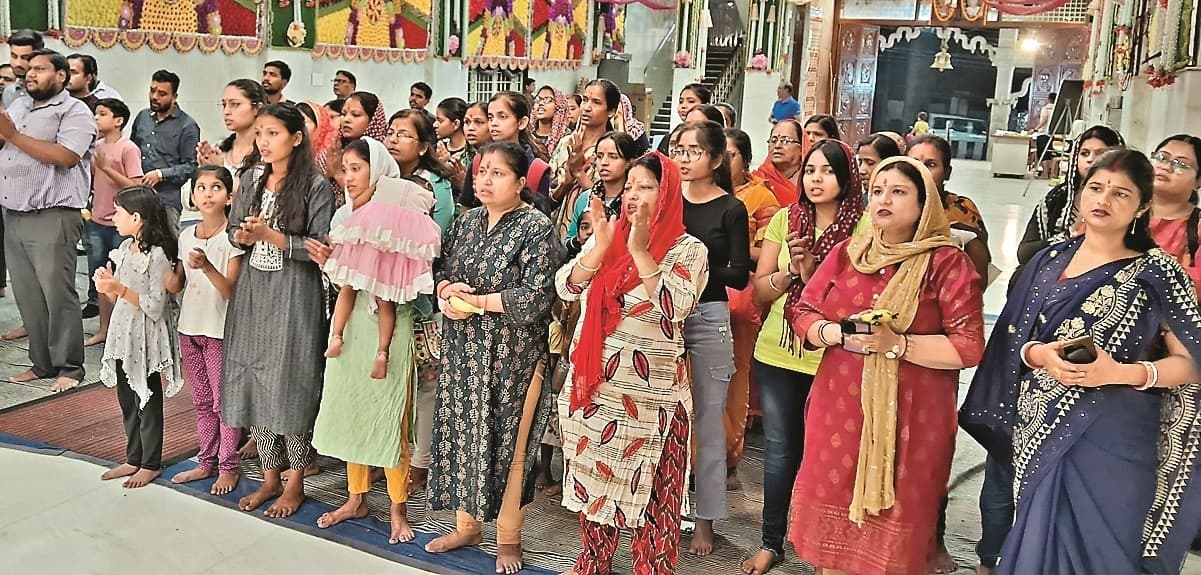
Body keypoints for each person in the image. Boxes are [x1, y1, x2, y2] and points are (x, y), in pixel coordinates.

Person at [960, 149, 1201, 575]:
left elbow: (1192, 362)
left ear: (1143, 206)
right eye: (1095, 187)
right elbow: (1016, 340)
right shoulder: (1049, 260)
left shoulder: (1158, 272)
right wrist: (1041, 355)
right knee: (1039, 542)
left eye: (1121, 193)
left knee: (1105, 553)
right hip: (1041, 430)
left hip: (1118, 436)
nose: (1103, 200)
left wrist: (1122, 373)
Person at [786, 155, 985, 575]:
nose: (884, 200)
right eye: (877, 190)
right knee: (833, 537)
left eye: (898, 192)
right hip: (839, 410)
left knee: (895, 536)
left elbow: (968, 346)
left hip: (913, 418)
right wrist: (835, 334)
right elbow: (803, 310)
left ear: (924, 203)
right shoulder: (848, 254)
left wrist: (897, 344)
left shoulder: (947, 263)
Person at [555, 152, 709, 575]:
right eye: (630, 186)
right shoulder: (609, 236)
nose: (633, 196)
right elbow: (566, 287)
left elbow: (673, 307)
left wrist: (641, 254)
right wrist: (600, 249)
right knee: (595, 487)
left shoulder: (689, 250)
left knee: (657, 501)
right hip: (595, 389)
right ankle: (594, 562)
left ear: (668, 194)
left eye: (646, 187)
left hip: (653, 401)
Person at [425, 142, 564, 575]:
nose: (485, 180)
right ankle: (466, 526)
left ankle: (509, 538)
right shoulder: (466, 223)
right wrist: (447, 292)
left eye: (498, 174)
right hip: (464, 352)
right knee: (465, 436)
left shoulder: (536, 227)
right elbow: (441, 269)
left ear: (522, 183)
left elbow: (538, 296)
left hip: (514, 358)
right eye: (482, 172)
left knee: (512, 447)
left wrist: (480, 302)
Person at [741, 139, 866, 575]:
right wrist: (792, 272)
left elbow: (862, 300)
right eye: (810, 170)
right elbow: (759, 291)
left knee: (829, 454)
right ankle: (771, 541)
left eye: (827, 171)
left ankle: (826, 544)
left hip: (835, 354)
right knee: (780, 451)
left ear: (846, 177)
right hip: (779, 351)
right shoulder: (785, 220)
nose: (815, 179)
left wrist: (817, 275)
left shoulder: (864, 228)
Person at [313, 138, 441, 545]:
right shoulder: (345, 216)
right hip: (350, 330)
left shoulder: (401, 210)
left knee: (389, 420)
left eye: (358, 169)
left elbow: (402, 282)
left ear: (378, 169)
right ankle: (356, 499)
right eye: (345, 170)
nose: (350, 178)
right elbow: (345, 283)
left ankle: (398, 509)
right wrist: (327, 262)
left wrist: (383, 349)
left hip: (391, 328)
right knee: (352, 411)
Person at [223, 103, 334, 519]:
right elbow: (233, 233)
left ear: (296, 138)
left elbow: (321, 248)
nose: (264, 142)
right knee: (254, 376)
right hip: (254, 289)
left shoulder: (315, 186)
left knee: (291, 381)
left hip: (294, 293)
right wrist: (244, 235)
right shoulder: (249, 178)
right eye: (260, 134)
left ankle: (295, 482)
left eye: (273, 133)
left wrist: (271, 234)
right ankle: (269, 477)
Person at [672, 120, 751, 556]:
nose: (684, 158)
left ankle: (705, 520)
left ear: (716, 160)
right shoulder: (668, 200)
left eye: (694, 151)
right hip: (663, 315)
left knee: (707, 421)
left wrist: (692, 270)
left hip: (708, 315)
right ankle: (660, 511)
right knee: (660, 419)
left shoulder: (730, 209)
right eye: (679, 149)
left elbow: (739, 273)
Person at [0, 48, 94, 392]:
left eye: (40, 69)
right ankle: (40, 364)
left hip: (53, 215)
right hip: (14, 214)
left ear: (61, 76)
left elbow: (66, 156)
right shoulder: (20, 105)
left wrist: (12, 135)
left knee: (57, 294)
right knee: (28, 295)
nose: (30, 74)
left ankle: (69, 367)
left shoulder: (75, 111)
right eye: (29, 69)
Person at [380, 109, 457, 496]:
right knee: (392, 379)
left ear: (424, 145)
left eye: (404, 135)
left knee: (425, 385)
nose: (393, 139)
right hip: (384, 297)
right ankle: (390, 454)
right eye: (391, 133)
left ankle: (422, 462)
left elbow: (431, 242)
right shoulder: (383, 178)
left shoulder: (434, 187)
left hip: (422, 299)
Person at [165, 166, 244, 495]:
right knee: (201, 401)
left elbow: (230, 292)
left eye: (215, 187)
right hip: (189, 329)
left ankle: (229, 466)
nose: (207, 194)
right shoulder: (185, 236)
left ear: (228, 196)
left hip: (218, 332)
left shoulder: (232, 239)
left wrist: (207, 266)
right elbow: (176, 284)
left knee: (223, 403)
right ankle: (206, 461)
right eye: (201, 188)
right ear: (192, 195)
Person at [96, 185, 181, 489]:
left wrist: (118, 289)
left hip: (145, 335)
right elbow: (121, 292)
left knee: (147, 398)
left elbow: (155, 306)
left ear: (137, 217)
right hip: (124, 332)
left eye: (118, 211)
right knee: (127, 399)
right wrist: (108, 285)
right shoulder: (124, 249)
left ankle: (151, 462)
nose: (113, 216)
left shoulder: (157, 255)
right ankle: (133, 457)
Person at [723, 127, 781, 492]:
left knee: (734, 376)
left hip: (741, 292)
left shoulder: (760, 196)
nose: (723, 161)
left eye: (731, 155)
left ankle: (729, 455)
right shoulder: (700, 193)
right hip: (705, 290)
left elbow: (768, 253)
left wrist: (731, 247)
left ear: (745, 159)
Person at [1016, 125, 1124, 273]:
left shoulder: (1127, 202)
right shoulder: (1058, 197)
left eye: (1100, 154)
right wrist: (1071, 234)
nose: (1091, 159)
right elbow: (1024, 253)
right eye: (1085, 153)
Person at [86, 98, 145, 347]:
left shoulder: (128, 148)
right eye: (96, 114)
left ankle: (126, 332)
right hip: (97, 221)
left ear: (118, 120)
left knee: (123, 279)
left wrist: (107, 169)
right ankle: (104, 329)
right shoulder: (97, 146)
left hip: (121, 226)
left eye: (102, 114)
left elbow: (136, 185)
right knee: (100, 276)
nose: (97, 118)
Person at [909, 134, 992, 288]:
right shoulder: (888, 205)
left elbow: (979, 279)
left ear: (947, 172)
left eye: (931, 165)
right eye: (913, 164)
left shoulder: (962, 210)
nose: (920, 171)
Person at [457, 91, 553, 214]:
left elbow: (542, 220)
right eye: (491, 118)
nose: (494, 123)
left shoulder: (537, 169)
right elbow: (466, 208)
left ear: (522, 122)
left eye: (502, 117)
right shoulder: (479, 162)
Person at [550, 79, 622, 236]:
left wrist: (578, 173)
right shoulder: (565, 144)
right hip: (556, 231)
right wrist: (565, 184)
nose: (587, 108)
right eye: (584, 100)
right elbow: (548, 197)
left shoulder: (612, 151)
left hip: (592, 235)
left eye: (596, 102)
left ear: (611, 111)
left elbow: (608, 203)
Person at [131, 69, 201, 229]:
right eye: (152, 90)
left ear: (174, 97)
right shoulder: (143, 117)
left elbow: (191, 166)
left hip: (166, 200)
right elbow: (132, 150)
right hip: (138, 195)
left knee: (166, 246)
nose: (155, 97)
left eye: (162, 94)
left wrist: (161, 175)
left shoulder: (187, 126)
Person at [1148, 134, 1201, 286]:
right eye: (1162, 158)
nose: (1166, 166)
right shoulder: (1122, 210)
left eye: (1181, 164)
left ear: (1198, 181)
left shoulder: (1197, 227)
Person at [198, 79, 268, 179]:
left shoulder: (268, 152)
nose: (226, 111)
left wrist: (220, 171)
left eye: (235, 104)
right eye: (224, 105)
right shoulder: (219, 149)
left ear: (258, 108)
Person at [754, 120, 806, 205]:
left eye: (786, 140)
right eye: (773, 140)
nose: (777, 146)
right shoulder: (758, 179)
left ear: (801, 148)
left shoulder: (809, 178)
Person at [434, 97, 471, 191]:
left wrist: (447, 164)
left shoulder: (471, 153)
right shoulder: (437, 148)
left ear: (456, 124)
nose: (435, 125)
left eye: (440, 121)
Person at [2, 29, 43, 107]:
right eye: (14, 56)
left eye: (24, 58)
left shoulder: (52, 90)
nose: (18, 63)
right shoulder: (9, 92)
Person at [531, 85, 571, 157]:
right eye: (538, 99)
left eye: (548, 100)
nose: (541, 103)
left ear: (558, 107)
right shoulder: (527, 134)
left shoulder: (566, 137)